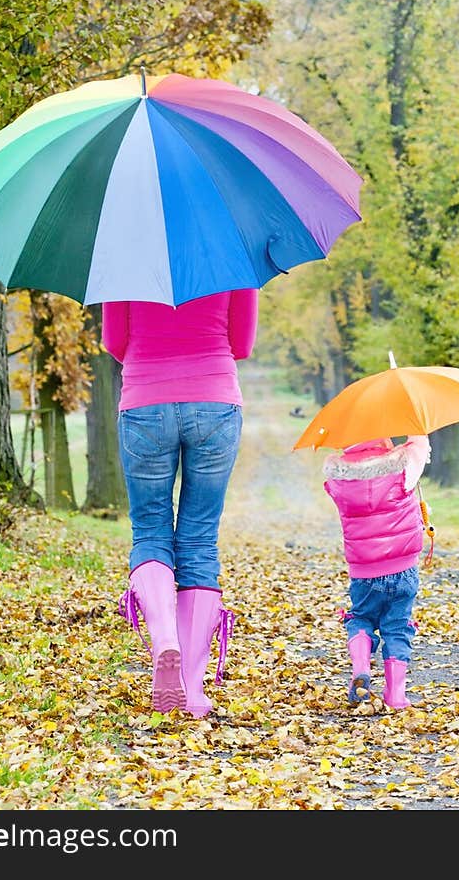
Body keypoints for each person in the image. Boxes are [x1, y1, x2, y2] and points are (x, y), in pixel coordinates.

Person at [101, 288, 258, 718]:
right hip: (215, 402)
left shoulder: (126, 259)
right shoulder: (231, 253)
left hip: (144, 402)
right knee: (199, 539)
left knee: (150, 528)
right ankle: (191, 688)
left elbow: (114, 342)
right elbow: (242, 344)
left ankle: (164, 635)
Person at [322, 433, 431, 710]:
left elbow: (329, 487)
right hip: (403, 568)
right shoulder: (402, 467)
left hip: (364, 571)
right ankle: (395, 695)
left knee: (361, 617)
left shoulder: (340, 478)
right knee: (397, 626)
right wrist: (417, 428)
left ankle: (361, 667)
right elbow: (420, 446)